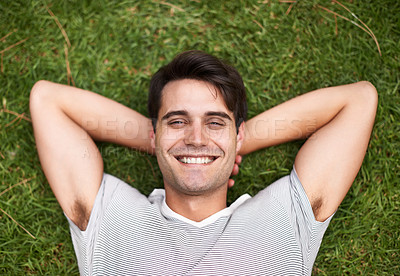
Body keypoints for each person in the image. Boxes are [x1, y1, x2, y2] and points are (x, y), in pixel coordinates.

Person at [30, 51, 377, 275]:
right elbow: (47, 100)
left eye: (215, 122)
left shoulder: (284, 220)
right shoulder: (110, 219)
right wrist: (181, 146)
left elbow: (358, 100)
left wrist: (220, 147)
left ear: (237, 134)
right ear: (154, 134)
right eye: (178, 121)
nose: (196, 137)